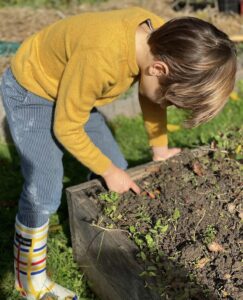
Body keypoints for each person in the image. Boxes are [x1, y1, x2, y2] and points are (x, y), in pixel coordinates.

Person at [0, 6, 236, 300]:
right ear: (159, 69)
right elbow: (67, 126)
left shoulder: (161, 40)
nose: (167, 105)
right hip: (32, 90)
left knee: (118, 166)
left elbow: (152, 98)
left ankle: (92, 234)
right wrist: (108, 171)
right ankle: (29, 281)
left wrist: (159, 149)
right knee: (44, 186)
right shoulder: (103, 56)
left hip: (71, 89)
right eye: (171, 99)